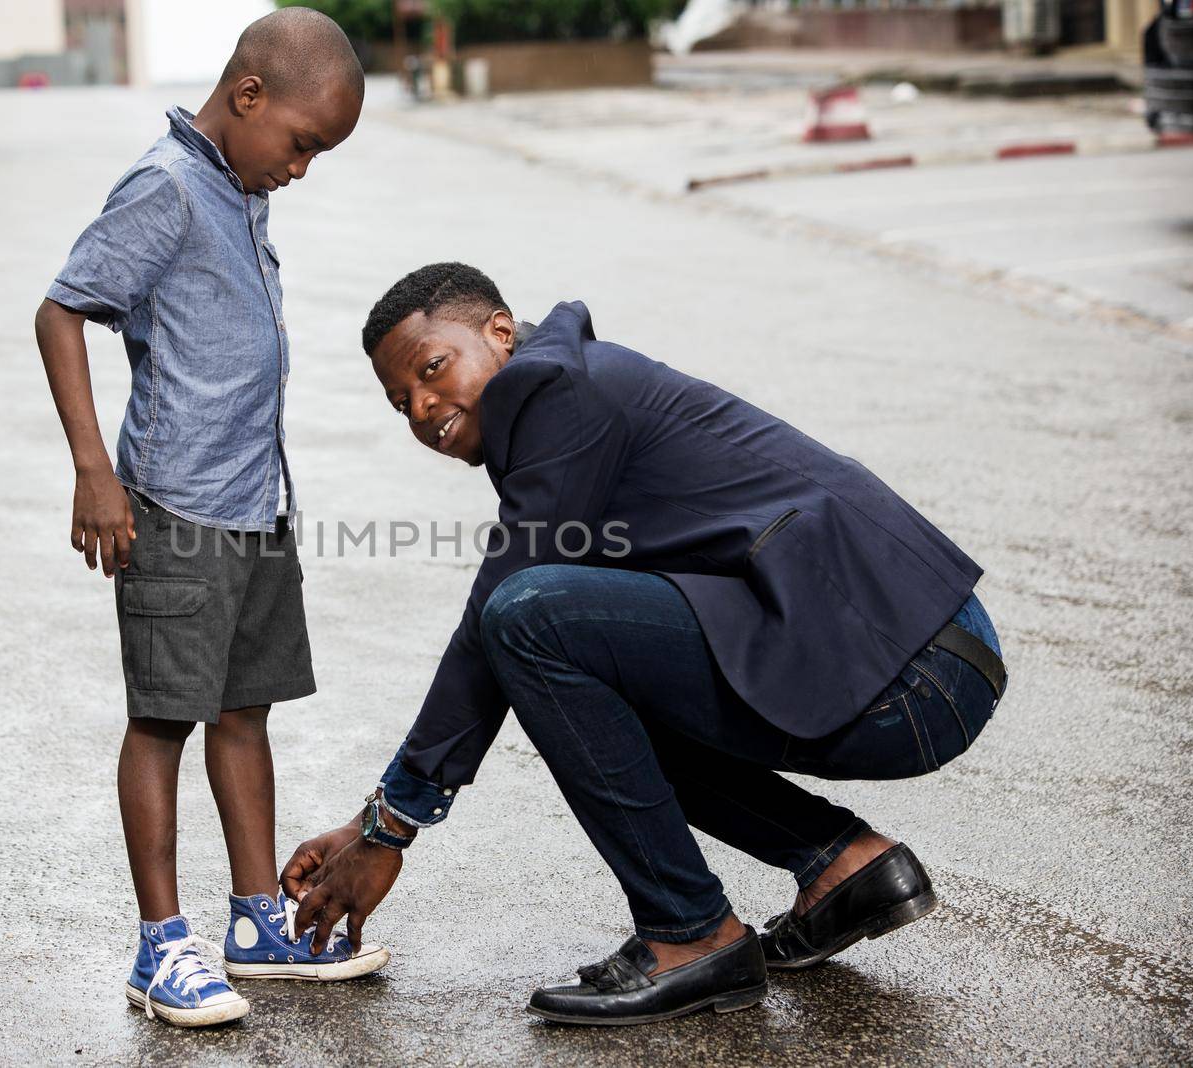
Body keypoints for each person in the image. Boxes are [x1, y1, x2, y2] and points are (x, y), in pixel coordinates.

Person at [282, 263, 1008, 1026]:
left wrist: (388, 826)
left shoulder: (555, 393)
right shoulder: (564, 395)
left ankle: (689, 932)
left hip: (916, 670)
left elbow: (495, 619)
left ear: (500, 332)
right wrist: (381, 820)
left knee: (528, 620)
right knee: (579, 667)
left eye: (432, 370)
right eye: (403, 403)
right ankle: (841, 864)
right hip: (920, 659)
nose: (424, 407)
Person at [33, 9, 377, 1029]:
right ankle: (160, 948)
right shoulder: (169, 187)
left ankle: (253, 921)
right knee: (163, 718)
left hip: (253, 502)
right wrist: (95, 472)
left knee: (244, 710)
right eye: (303, 145)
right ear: (247, 98)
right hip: (175, 506)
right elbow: (63, 310)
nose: (303, 168)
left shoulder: (238, 182)